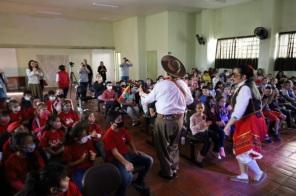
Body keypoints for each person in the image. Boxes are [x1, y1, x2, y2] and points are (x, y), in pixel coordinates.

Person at [140, 55, 193, 179]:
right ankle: (174, 167)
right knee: (174, 145)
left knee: (163, 147)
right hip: (179, 119)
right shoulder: (182, 84)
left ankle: (167, 172)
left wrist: (142, 94)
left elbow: (147, 100)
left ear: (166, 71)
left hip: (164, 120)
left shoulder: (161, 84)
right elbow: (189, 100)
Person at [223, 64, 267, 184]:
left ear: (243, 76)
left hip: (249, 121)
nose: (233, 77)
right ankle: (243, 175)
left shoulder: (245, 88)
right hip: (250, 119)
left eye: (235, 75)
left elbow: (239, 111)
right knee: (241, 149)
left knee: (243, 150)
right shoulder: (248, 85)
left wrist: (228, 125)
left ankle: (259, 173)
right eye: (232, 74)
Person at [103, 111, 153, 195]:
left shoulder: (122, 129)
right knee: (127, 177)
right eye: (118, 120)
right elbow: (115, 153)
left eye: (121, 119)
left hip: (126, 154)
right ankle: (120, 192)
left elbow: (129, 140)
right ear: (112, 123)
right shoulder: (108, 135)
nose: (121, 121)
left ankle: (139, 181)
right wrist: (126, 163)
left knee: (149, 160)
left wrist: (135, 150)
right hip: (115, 159)